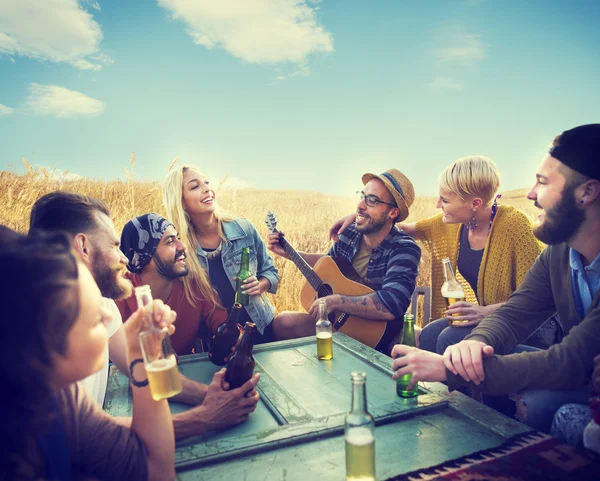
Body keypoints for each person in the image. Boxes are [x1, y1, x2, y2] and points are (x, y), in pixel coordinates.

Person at [391, 124, 600, 437]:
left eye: (542, 182)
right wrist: (477, 343)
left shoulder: (516, 228)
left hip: (567, 357)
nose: (530, 194)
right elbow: (516, 313)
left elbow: (571, 360)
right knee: (455, 339)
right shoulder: (559, 254)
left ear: (586, 192)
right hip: (581, 370)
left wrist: (449, 369)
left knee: (539, 403)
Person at [30, 192, 260, 439]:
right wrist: (204, 418)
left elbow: (144, 371)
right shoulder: (34, 340)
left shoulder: (103, 306)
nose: (124, 258)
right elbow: (84, 436)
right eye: (114, 245)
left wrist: (211, 397)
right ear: (83, 247)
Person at [0, 228, 175, 481]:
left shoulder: (59, 401)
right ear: (40, 345)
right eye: (95, 318)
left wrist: (141, 352)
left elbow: (155, 470)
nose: (108, 317)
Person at [330, 156, 550, 354]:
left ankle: (469, 400)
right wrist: (361, 215)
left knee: (450, 339)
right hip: (491, 320)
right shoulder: (455, 224)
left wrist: (484, 312)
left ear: (474, 204)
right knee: (428, 335)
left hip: (532, 327)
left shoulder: (516, 227)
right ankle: (444, 396)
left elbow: (539, 300)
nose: (437, 204)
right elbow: (396, 226)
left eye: (444, 200)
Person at [267, 169, 421, 354]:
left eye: (372, 200)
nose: (360, 205)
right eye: (362, 196)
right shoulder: (349, 233)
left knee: (413, 342)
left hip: (381, 337)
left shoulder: (403, 248)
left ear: (392, 212)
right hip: (339, 328)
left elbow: (391, 303)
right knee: (283, 323)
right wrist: (291, 253)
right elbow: (329, 265)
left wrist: (336, 301)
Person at [162, 165, 280, 343]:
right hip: (219, 343)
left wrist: (261, 285)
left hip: (261, 328)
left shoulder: (244, 229)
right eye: (195, 186)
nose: (207, 188)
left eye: (207, 182)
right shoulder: (180, 248)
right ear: (182, 203)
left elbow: (271, 272)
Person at [116, 213, 227, 356]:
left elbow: (220, 320)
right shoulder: (120, 295)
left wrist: (235, 338)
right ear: (145, 255)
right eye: (170, 242)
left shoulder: (192, 285)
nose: (182, 247)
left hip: (186, 369)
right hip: (136, 374)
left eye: (178, 239)